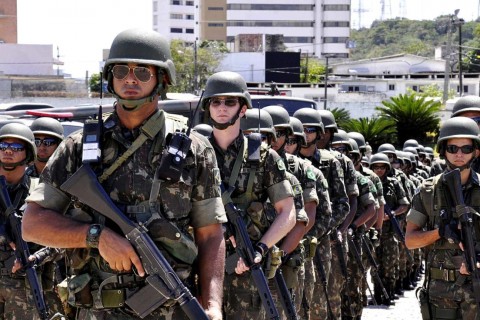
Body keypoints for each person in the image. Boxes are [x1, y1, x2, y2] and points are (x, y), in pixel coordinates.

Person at [22, 28, 227, 320]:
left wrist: (213, 305)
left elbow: (210, 235)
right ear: (110, 78)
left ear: (162, 79)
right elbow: (32, 225)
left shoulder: (193, 149)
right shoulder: (78, 146)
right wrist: (96, 236)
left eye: (143, 72)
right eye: (121, 70)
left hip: (171, 310)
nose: (130, 78)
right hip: (96, 311)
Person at [201, 71, 296, 320]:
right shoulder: (193, 155)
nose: (222, 108)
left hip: (246, 274)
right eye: (216, 101)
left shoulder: (264, 158)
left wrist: (261, 248)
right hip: (201, 271)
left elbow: (288, 212)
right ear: (207, 107)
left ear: (243, 109)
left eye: (230, 102)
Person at [406, 117, 480, 319]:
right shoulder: (428, 191)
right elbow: (411, 240)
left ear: (476, 152)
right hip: (441, 294)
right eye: (452, 148)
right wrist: (439, 232)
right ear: (443, 151)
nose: (459, 154)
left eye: (466, 149)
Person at [0, 123, 57, 319]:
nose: (8, 151)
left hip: (22, 290)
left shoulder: (40, 192)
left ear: (28, 154)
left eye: (16, 148)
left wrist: (37, 257)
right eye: (3, 146)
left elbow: (60, 241)